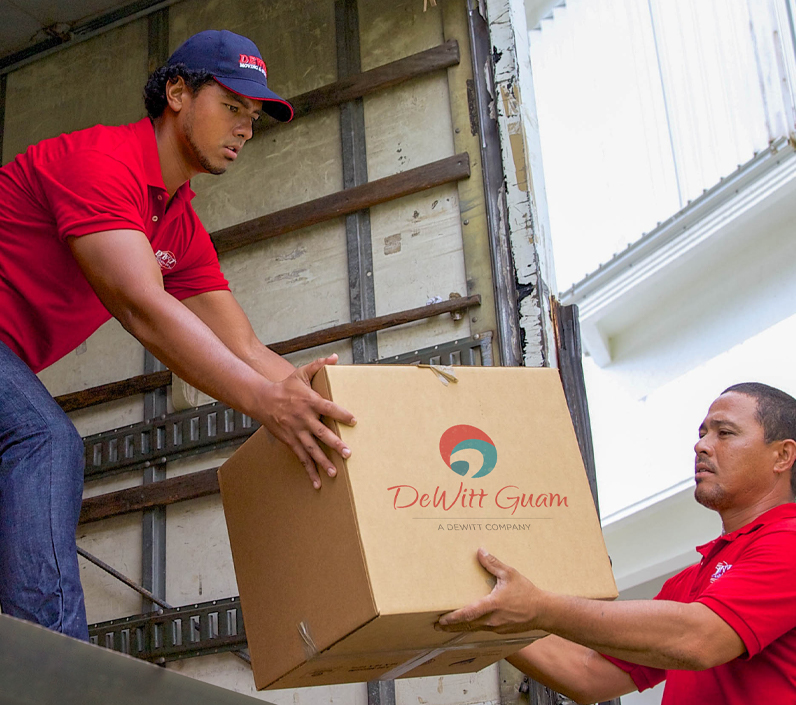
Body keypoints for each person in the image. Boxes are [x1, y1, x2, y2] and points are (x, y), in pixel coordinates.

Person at [0, 30, 355, 641]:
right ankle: (51, 666)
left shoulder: (177, 224)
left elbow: (242, 347)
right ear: (176, 94)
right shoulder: (101, 164)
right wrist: (265, 403)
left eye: (254, 116)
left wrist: (340, 416)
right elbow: (143, 307)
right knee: (43, 441)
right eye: (233, 106)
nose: (245, 128)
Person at [436, 382, 796, 704]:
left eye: (725, 433)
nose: (701, 445)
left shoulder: (789, 541)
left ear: (783, 455)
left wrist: (539, 607)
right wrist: (480, 604)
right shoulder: (693, 581)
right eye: (703, 433)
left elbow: (701, 639)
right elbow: (588, 675)